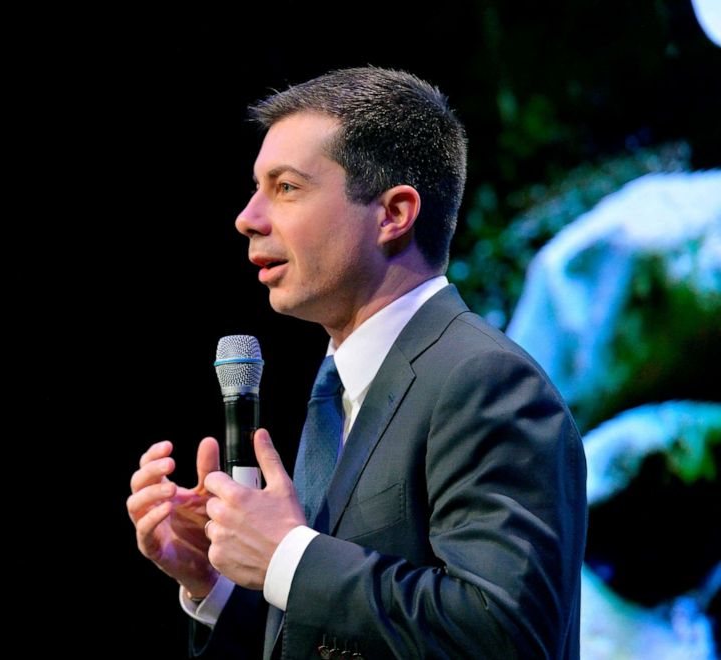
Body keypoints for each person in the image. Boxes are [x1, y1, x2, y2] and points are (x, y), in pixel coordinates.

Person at [127, 67, 587, 659]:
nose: (248, 217)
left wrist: (287, 555)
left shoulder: (486, 382)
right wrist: (217, 585)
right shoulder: (339, 387)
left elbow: (506, 634)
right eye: (256, 188)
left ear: (394, 213)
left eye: (286, 187)